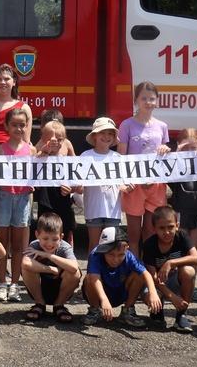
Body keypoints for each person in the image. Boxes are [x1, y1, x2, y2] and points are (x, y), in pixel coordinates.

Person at [118, 81, 171, 251]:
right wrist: (124, 183)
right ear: (136, 100)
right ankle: (135, 271)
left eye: (151, 98)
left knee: (150, 232)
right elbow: (121, 157)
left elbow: (166, 156)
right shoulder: (127, 125)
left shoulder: (162, 126)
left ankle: (148, 271)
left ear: (157, 101)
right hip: (134, 186)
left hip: (155, 185)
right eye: (144, 98)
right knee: (133, 234)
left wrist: (165, 149)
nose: (148, 102)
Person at [0, 107, 34, 302]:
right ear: (6, 126)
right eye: (14, 125)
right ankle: (1, 282)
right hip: (3, 196)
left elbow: (37, 173)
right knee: (2, 243)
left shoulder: (31, 149)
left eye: (22, 125)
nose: (18, 129)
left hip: (23, 198)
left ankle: (15, 284)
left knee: (18, 245)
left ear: (27, 127)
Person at [80, 227, 162, 328]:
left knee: (138, 273)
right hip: (99, 294)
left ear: (127, 248)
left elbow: (145, 273)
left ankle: (127, 311)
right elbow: (94, 278)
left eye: (120, 255)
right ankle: (94, 309)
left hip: (120, 292)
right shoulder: (95, 255)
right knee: (89, 278)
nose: (115, 259)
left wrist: (153, 293)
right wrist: (103, 299)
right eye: (111, 254)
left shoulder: (129, 256)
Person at [139, 205, 197, 333]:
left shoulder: (182, 236)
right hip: (156, 284)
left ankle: (181, 315)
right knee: (148, 295)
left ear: (177, 226)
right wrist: (173, 297)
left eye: (170, 227)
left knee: (189, 271)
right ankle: (157, 311)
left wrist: (170, 263)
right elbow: (153, 277)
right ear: (153, 228)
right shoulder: (149, 244)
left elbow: (196, 258)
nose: (167, 232)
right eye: (161, 228)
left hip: (173, 279)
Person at [20, 212, 80, 323]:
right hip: (41, 287)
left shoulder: (65, 247)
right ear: (37, 235)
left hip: (60, 289)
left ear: (61, 237)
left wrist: (48, 255)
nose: (49, 243)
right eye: (45, 238)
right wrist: (52, 269)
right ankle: (39, 304)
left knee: (75, 273)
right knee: (26, 268)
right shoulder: (34, 245)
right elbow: (25, 263)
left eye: (54, 239)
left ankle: (59, 305)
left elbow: (74, 267)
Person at [80, 117, 127, 256]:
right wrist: (78, 187)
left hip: (113, 209)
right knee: (94, 246)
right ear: (95, 135)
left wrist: (127, 188)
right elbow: (80, 183)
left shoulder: (117, 157)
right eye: (103, 133)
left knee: (110, 247)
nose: (106, 137)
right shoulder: (85, 156)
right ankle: (92, 275)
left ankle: (107, 276)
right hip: (94, 208)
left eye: (110, 133)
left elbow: (121, 184)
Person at [33, 119, 78, 250]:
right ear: (43, 139)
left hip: (64, 197)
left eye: (59, 139)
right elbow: (34, 157)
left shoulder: (66, 154)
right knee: (45, 230)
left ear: (64, 140)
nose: (55, 142)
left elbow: (78, 171)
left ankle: (69, 258)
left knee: (68, 231)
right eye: (50, 139)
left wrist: (72, 189)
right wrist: (45, 149)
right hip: (46, 200)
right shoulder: (40, 153)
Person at [167, 127, 197, 254]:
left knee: (193, 251)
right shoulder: (175, 164)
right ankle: (179, 274)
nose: (189, 151)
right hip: (180, 211)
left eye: (193, 148)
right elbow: (169, 178)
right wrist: (177, 155)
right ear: (178, 145)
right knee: (179, 250)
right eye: (185, 147)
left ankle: (192, 274)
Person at [0, 63, 32, 148]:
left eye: (7, 79)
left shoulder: (24, 108)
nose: (3, 82)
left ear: (14, 82)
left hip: (13, 156)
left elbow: (26, 141)